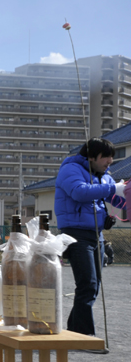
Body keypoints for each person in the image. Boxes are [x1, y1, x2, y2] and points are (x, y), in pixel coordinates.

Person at [54, 137, 126, 336]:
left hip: (97, 236)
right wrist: (114, 188)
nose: (110, 161)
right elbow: (79, 192)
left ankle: (75, 331)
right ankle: (85, 335)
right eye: (106, 157)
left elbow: (116, 199)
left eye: (112, 157)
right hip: (75, 235)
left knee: (93, 287)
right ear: (92, 156)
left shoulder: (104, 176)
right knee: (88, 284)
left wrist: (125, 196)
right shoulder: (70, 170)